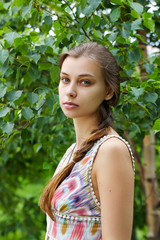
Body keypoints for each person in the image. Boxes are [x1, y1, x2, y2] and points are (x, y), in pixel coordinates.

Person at [40, 42, 135, 240]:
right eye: (65, 79)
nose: (70, 91)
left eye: (85, 82)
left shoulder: (111, 150)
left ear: (108, 91)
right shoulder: (74, 151)